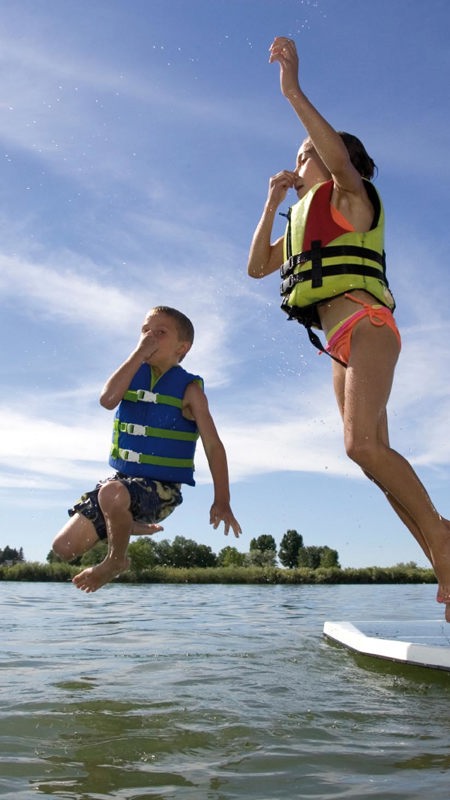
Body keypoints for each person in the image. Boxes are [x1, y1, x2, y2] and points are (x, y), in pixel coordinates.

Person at [247, 36, 450, 620]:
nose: (299, 160)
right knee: (373, 460)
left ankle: (443, 539)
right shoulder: (303, 220)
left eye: (305, 153)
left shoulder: (350, 197)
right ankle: (444, 562)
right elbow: (258, 267)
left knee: (360, 444)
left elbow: (336, 158)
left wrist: (291, 89)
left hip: (367, 324)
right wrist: (270, 202)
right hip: (337, 348)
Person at [52, 305, 241, 592]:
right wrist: (138, 355)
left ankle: (115, 560)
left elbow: (214, 447)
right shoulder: (132, 373)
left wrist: (222, 499)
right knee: (63, 547)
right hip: (120, 486)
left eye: (160, 333)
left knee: (112, 494)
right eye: (144, 331)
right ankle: (126, 525)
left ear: (182, 347)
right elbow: (107, 400)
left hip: (160, 491)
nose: (149, 337)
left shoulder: (190, 391)